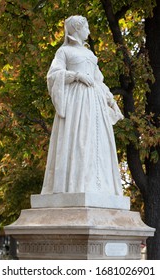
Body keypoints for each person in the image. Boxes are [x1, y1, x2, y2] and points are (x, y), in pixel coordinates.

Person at [41, 15, 124, 195]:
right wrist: (76, 76)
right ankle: (75, 186)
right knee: (78, 139)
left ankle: (98, 187)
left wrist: (111, 101)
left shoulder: (90, 54)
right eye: (86, 27)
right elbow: (53, 75)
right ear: (77, 29)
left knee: (96, 141)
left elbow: (99, 81)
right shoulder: (64, 52)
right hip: (76, 101)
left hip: (94, 102)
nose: (88, 31)